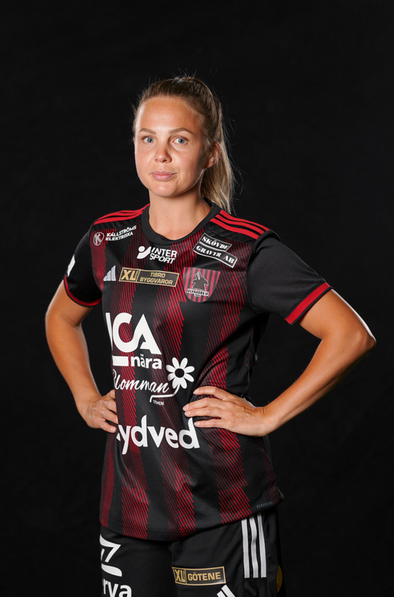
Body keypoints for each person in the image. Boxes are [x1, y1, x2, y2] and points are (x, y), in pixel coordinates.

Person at [45, 76, 375, 597]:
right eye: (147, 138)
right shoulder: (108, 239)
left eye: (179, 139)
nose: (160, 155)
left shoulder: (246, 251)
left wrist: (267, 415)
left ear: (211, 153)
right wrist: (86, 397)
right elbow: (60, 317)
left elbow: (350, 335)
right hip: (129, 510)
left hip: (222, 509)